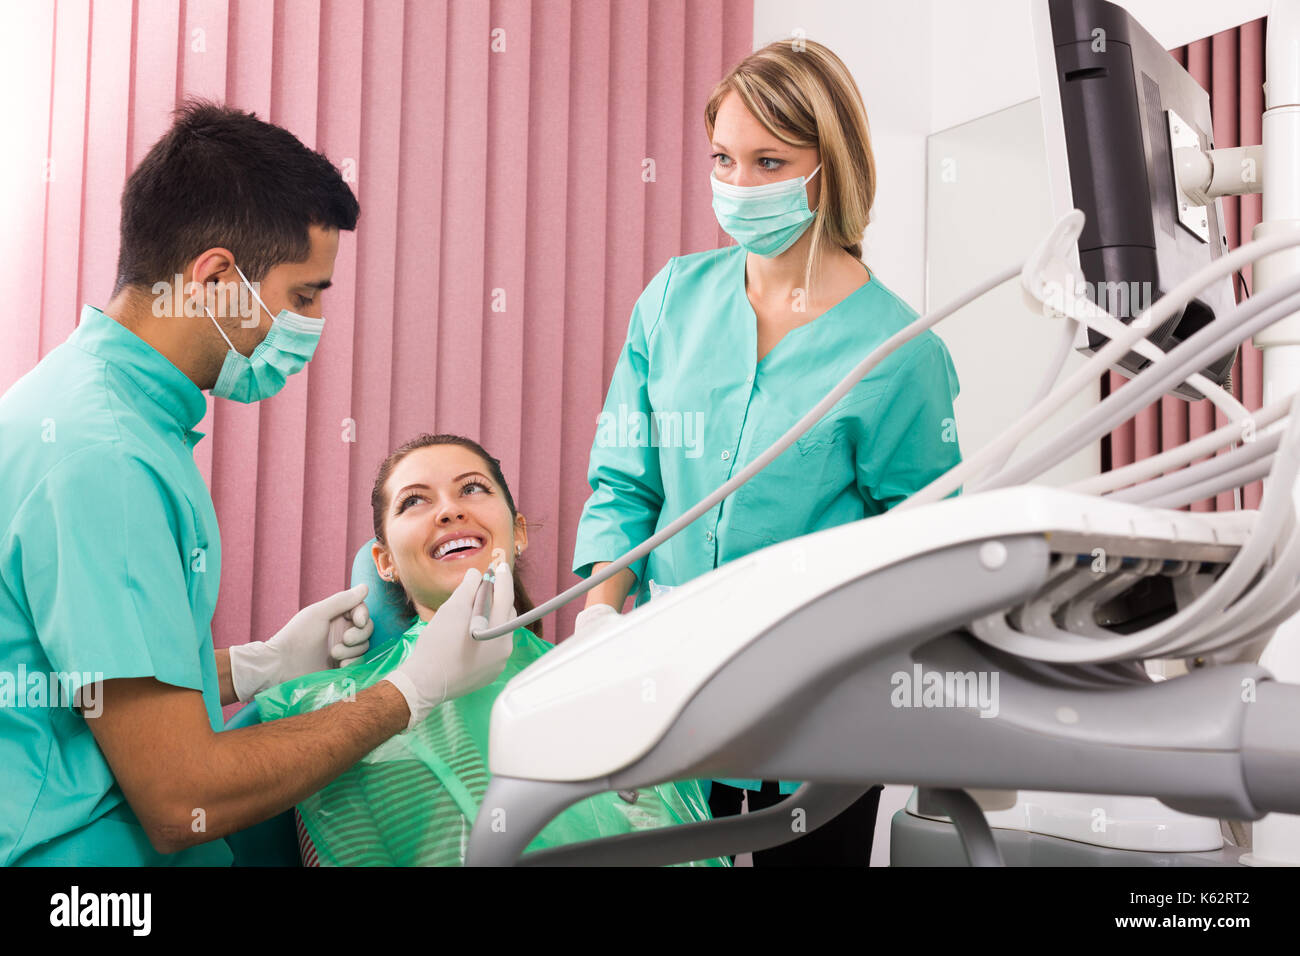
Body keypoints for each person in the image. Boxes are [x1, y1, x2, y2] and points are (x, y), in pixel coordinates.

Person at [0, 101, 511, 865]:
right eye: (304, 296)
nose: (309, 324)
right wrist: (408, 693)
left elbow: (82, 681)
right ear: (214, 279)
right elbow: (182, 800)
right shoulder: (104, 459)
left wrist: (254, 667)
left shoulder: (95, 410)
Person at [570, 39, 963, 866]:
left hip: (822, 722)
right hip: (670, 692)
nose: (738, 186)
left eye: (768, 161)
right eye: (723, 158)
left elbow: (923, 553)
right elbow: (623, 480)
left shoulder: (897, 352)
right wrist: (602, 615)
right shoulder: (673, 299)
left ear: (831, 167)